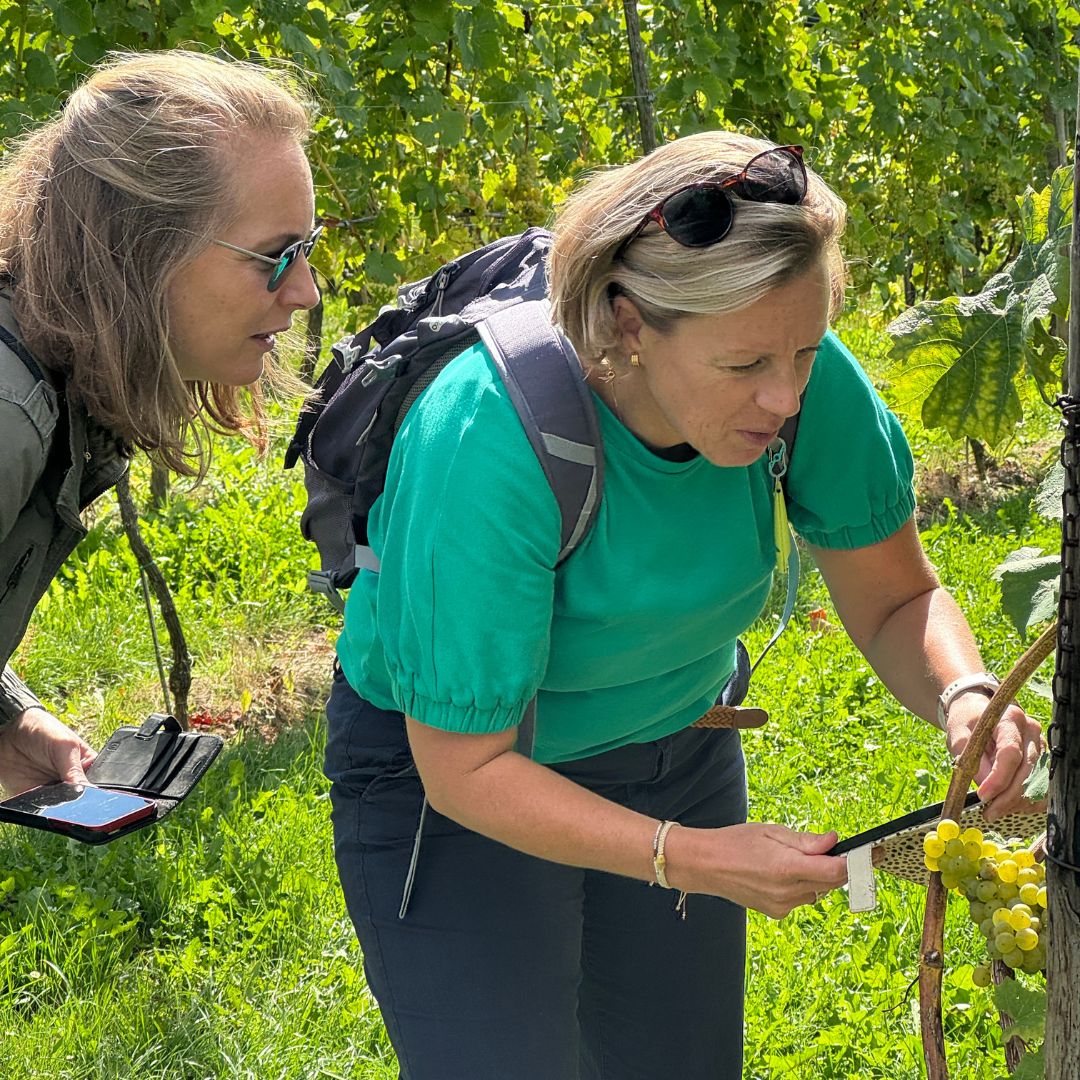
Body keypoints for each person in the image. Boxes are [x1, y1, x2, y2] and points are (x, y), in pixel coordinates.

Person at [323, 132, 1044, 1079]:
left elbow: (894, 598)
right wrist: (693, 860)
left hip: (679, 750)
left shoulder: (802, 376)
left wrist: (964, 693)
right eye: (745, 365)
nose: (785, 396)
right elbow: (467, 767)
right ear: (627, 323)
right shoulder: (488, 439)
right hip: (462, 784)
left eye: (805, 349)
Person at [0, 50, 321, 797]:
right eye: (275, 258)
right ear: (140, 253)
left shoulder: (55, 373)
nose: (304, 291)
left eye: (308, 250)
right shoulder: (10, 414)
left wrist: (10, 717)